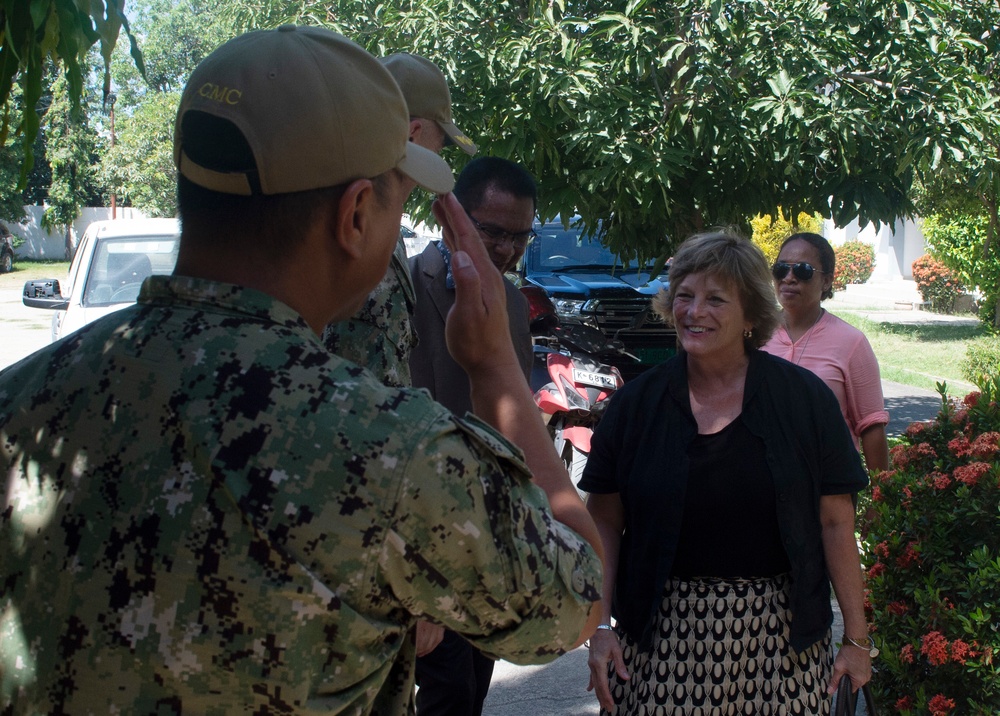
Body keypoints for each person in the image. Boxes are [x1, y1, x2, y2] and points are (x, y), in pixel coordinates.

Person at [0, 26, 603, 714]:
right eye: (395, 199)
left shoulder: (23, 403)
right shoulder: (389, 452)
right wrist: (496, 372)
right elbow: (575, 600)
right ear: (355, 215)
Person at [582, 232, 873, 715]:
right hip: (660, 638)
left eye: (716, 299)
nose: (694, 312)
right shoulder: (637, 404)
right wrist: (599, 627)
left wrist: (858, 642)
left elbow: (836, 522)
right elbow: (605, 521)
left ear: (752, 315)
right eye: (685, 296)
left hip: (784, 642)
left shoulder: (804, 402)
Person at [408, 156, 538, 716]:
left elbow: (514, 426)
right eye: (493, 231)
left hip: (484, 549)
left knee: (463, 697)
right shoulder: (402, 290)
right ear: (450, 215)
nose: (507, 249)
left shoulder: (511, 302)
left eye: (520, 237)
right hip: (412, 543)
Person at [322, 52, 477, 388]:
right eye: (441, 143)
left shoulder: (364, 216)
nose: (439, 154)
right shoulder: (366, 228)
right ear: (412, 135)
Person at [762, 232, 890, 472]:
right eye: (781, 269)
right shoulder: (755, 335)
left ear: (827, 281)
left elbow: (871, 426)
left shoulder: (851, 342)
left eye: (803, 270)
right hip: (764, 486)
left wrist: (880, 499)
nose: (789, 278)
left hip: (830, 490)